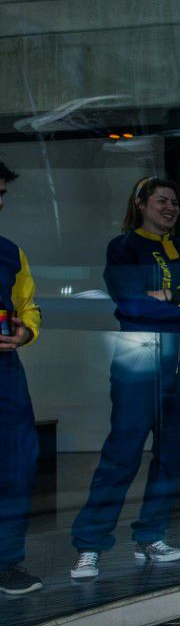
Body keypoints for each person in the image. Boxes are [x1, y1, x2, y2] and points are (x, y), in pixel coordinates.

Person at [71, 178, 180, 580]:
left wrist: (175, 298)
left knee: (172, 454)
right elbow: (130, 301)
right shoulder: (123, 247)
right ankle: (90, 546)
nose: (171, 208)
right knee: (122, 453)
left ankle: (151, 535)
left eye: (174, 202)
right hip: (138, 354)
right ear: (140, 204)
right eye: (162, 201)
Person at [0, 161, 45, 595]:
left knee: (16, 464)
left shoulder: (10, 251)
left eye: (0, 195)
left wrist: (24, 331)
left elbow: (27, 306)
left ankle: (7, 563)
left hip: (5, 372)